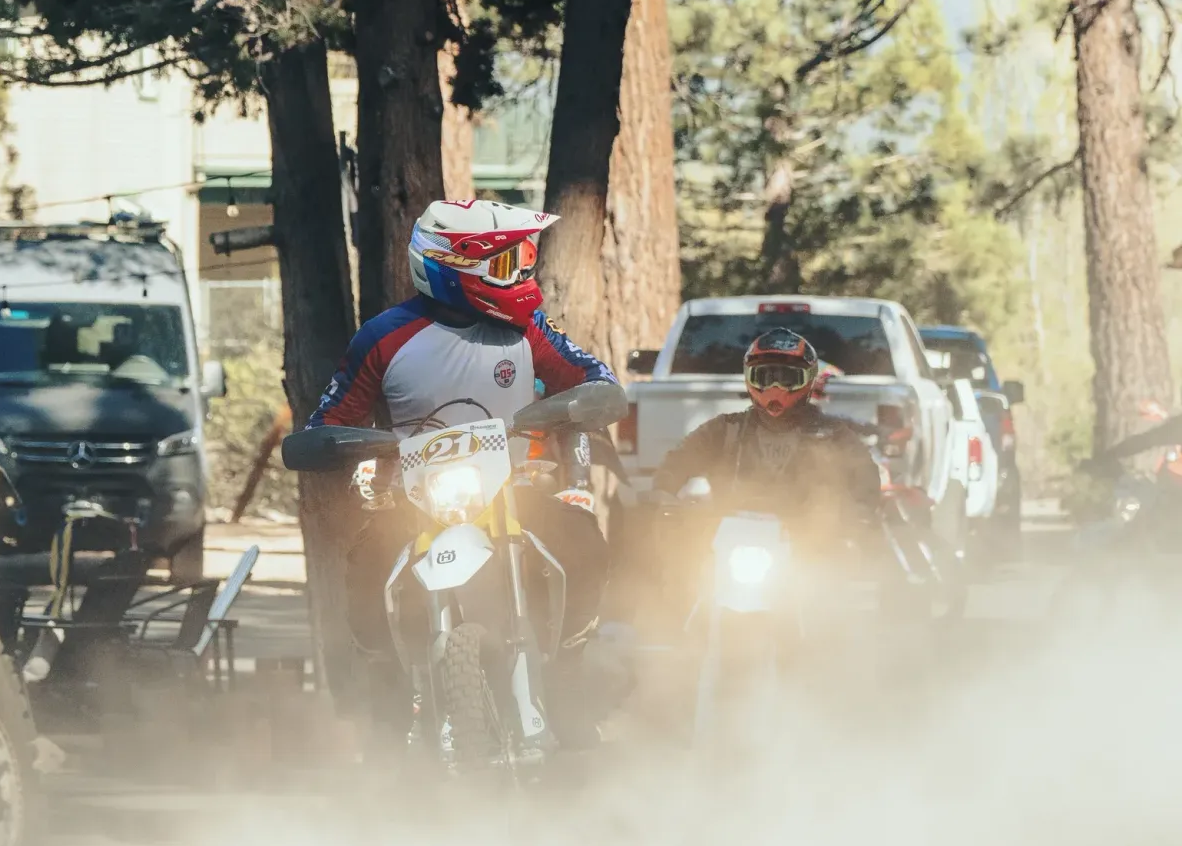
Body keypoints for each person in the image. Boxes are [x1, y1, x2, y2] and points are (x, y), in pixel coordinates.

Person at [306, 198, 624, 747]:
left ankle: (568, 672)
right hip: (414, 500)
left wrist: (595, 396)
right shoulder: (383, 337)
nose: (522, 274)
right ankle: (386, 703)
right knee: (362, 569)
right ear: (452, 265)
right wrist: (326, 443)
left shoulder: (528, 330)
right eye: (506, 264)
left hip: (511, 491)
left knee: (584, 541)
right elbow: (331, 417)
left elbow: (587, 374)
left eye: (524, 260)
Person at [652, 328, 881, 538]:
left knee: (852, 571)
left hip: (812, 549)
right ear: (748, 379)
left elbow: (865, 475)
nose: (775, 389)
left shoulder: (832, 434)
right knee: (676, 570)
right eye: (765, 377)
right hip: (730, 544)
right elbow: (679, 460)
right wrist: (664, 493)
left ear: (809, 381)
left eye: (787, 379)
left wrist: (859, 511)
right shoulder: (724, 430)